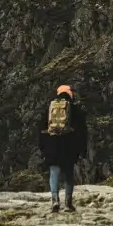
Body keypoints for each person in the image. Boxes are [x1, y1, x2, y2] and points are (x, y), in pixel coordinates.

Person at [38, 84, 88, 213]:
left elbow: (40, 129)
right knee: (68, 175)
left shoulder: (49, 108)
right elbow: (82, 131)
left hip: (52, 145)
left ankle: (55, 200)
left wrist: (43, 147)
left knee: (54, 173)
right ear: (70, 94)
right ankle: (68, 204)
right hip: (69, 146)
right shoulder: (75, 109)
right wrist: (82, 149)